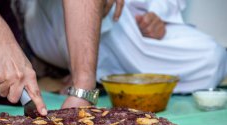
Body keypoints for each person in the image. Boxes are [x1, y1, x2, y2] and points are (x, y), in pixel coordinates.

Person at [23, 0, 227, 94]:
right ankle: (84, 77)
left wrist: (157, 15)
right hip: (58, 13)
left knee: (212, 59)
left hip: (132, 21)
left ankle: (106, 78)